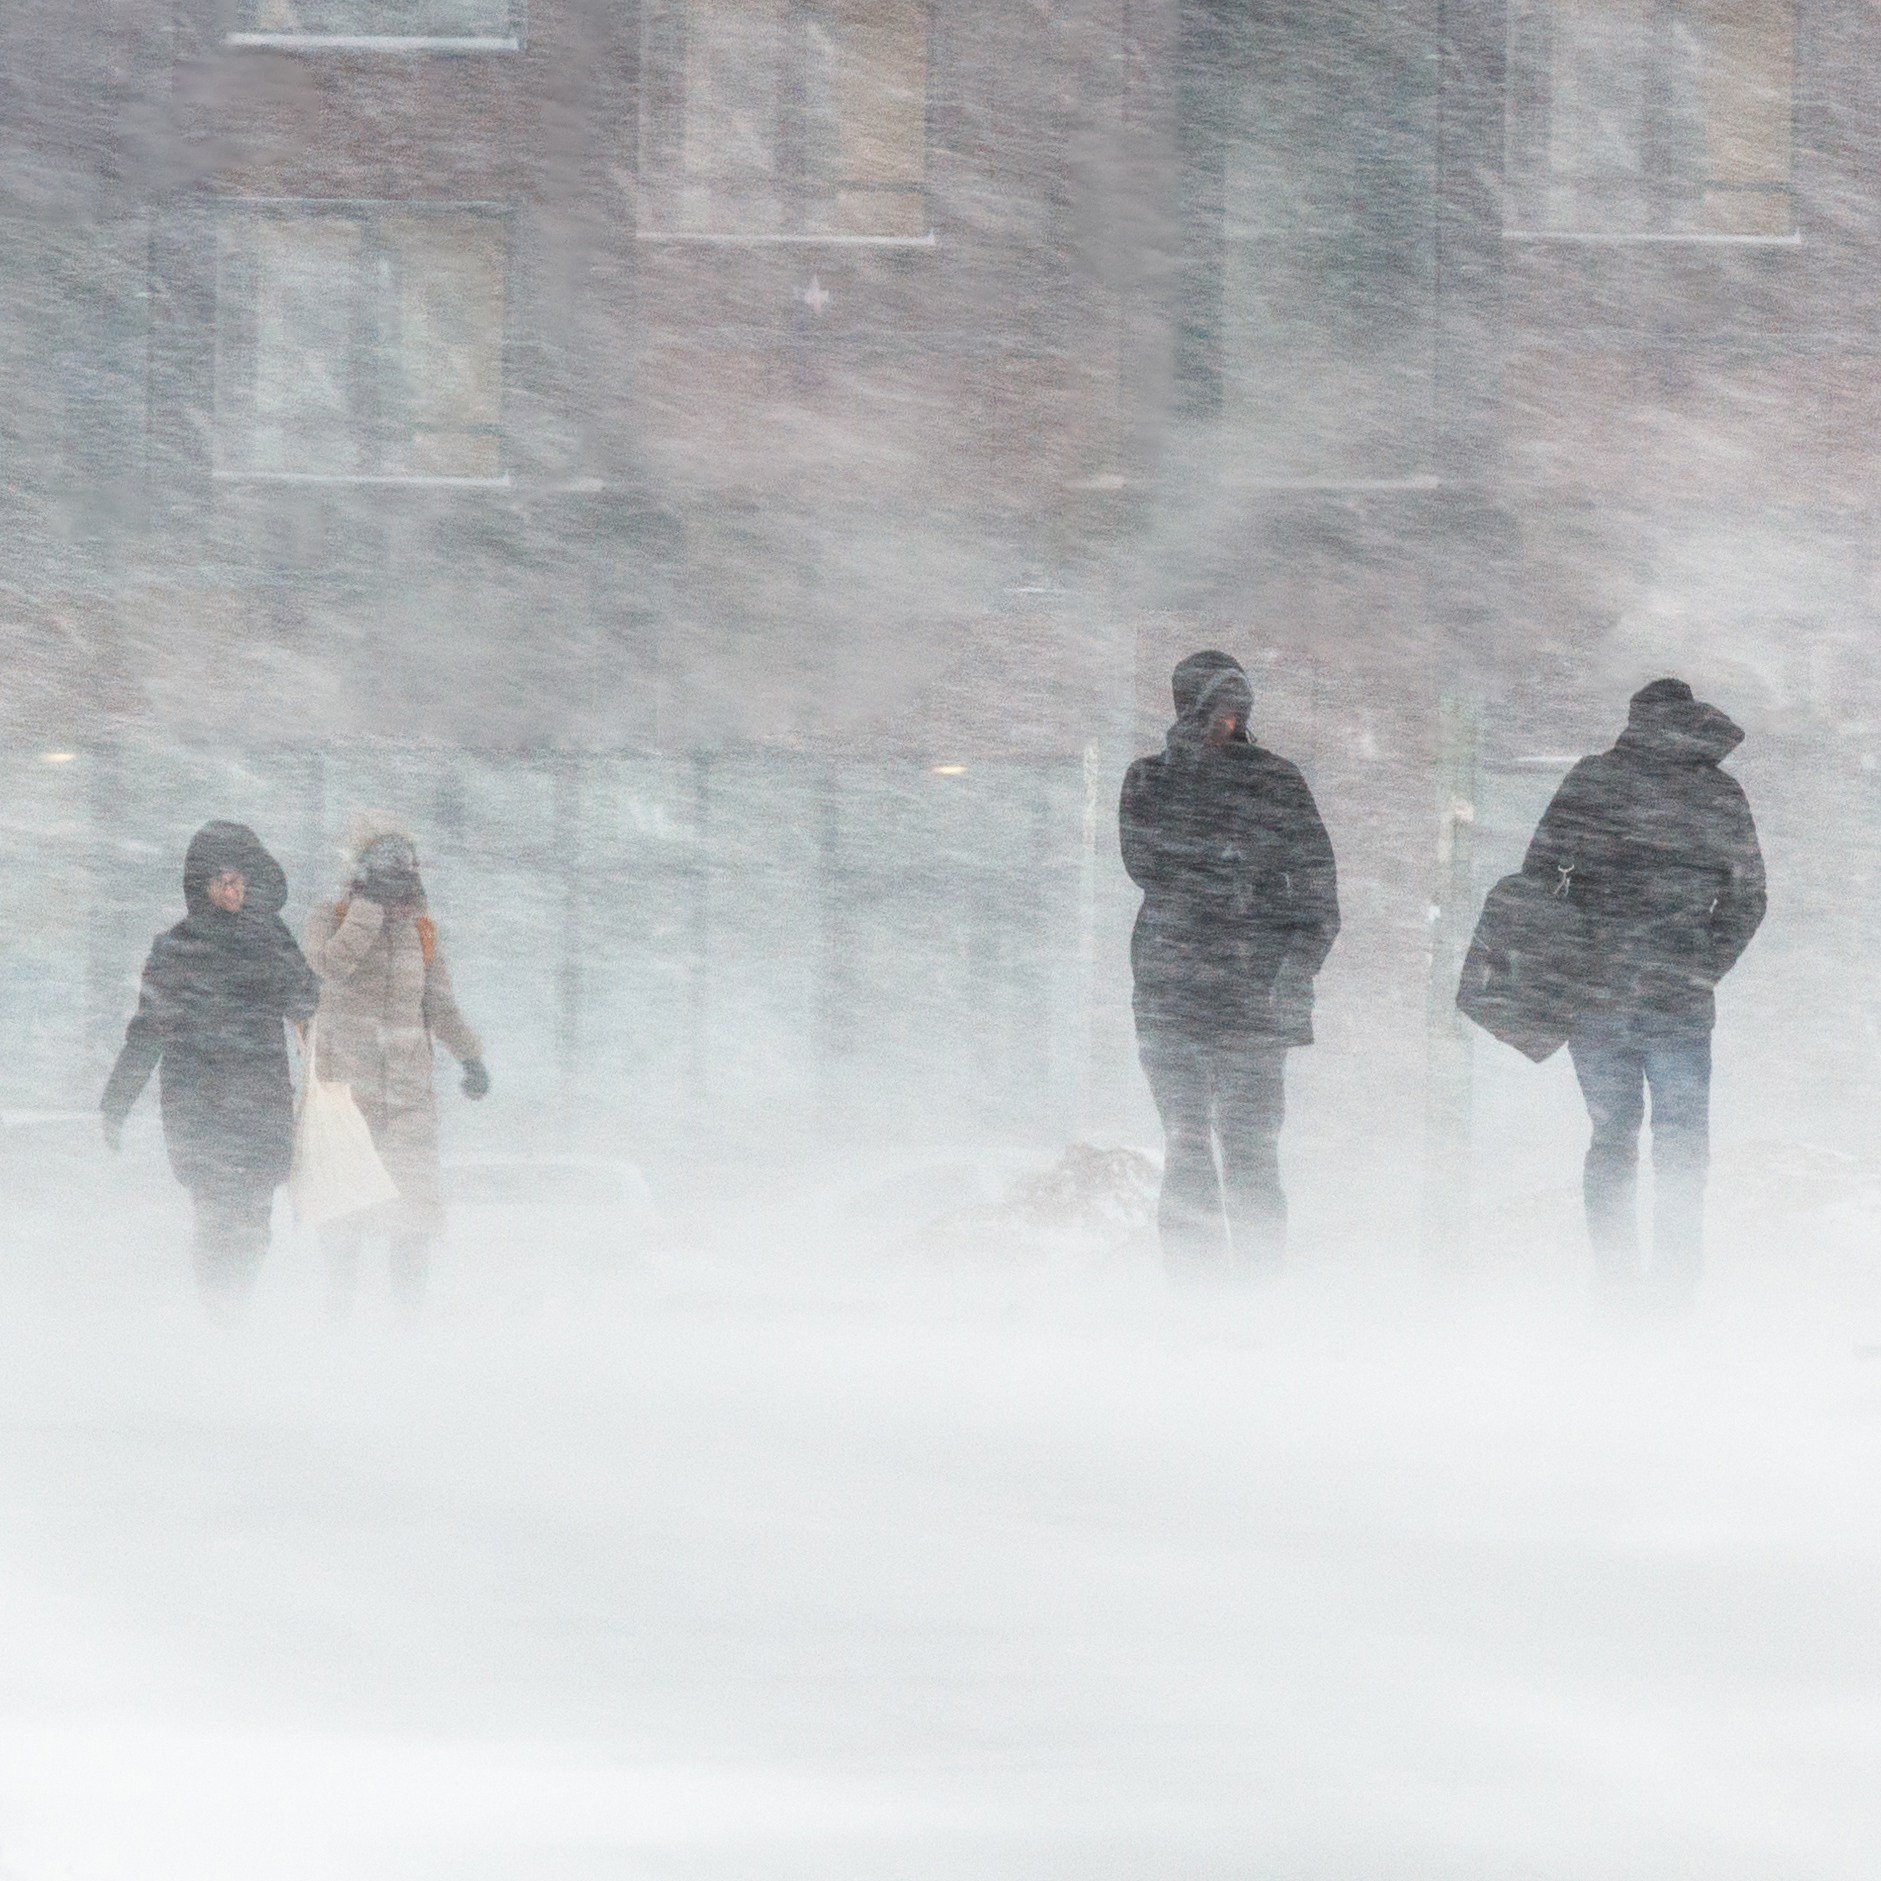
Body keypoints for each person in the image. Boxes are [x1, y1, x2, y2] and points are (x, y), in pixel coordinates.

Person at [1522, 678, 1765, 1307]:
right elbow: (1748, 896)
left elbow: (1536, 877)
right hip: (1677, 998)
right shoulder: (1715, 790)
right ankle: (1676, 1283)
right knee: (1681, 1143)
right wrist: (1703, 962)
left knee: (1612, 1135)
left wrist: (1573, 948)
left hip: (1598, 994)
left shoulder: (1594, 780)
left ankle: (1616, 1282)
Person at [1121, 651, 1341, 1275]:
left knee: (1251, 1153)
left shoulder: (1276, 780)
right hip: (1172, 998)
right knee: (1188, 1147)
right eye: (1214, 707)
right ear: (1187, 708)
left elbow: (1321, 897)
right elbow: (1146, 865)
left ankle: (1258, 1295)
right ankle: (1196, 1297)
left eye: (1236, 707)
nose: (1227, 720)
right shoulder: (1150, 779)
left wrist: (1292, 975)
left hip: (1250, 1000)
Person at [101, 822, 321, 1319]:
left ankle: (232, 1313)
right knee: (216, 1216)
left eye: (241, 880)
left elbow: (306, 999)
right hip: (200, 1105)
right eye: (223, 880)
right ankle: (221, 1317)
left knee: (256, 1221)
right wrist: (117, 1100)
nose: (233, 889)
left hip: (261, 1102)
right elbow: (148, 1030)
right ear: (202, 885)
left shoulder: (268, 939)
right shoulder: (177, 949)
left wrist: (274, 943)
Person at [302, 812, 489, 1321]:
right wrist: (366, 912)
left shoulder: (421, 932)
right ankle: (340, 1312)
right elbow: (327, 967)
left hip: (409, 1096)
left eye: (404, 869)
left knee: (415, 1211)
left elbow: (440, 1003)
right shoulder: (332, 916)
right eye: (385, 869)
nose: (397, 882)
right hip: (347, 1092)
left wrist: (470, 1055)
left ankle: (409, 1318)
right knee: (346, 1210)